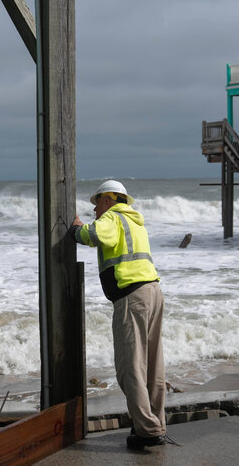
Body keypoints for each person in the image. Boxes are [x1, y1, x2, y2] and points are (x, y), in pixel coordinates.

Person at [70, 180, 171, 450]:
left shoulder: (113, 217)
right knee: (152, 365)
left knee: (130, 368)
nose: (95, 210)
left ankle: (148, 430)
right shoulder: (136, 222)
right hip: (153, 292)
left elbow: (93, 235)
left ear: (109, 200)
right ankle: (155, 423)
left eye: (96, 203)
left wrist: (76, 228)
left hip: (132, 297)